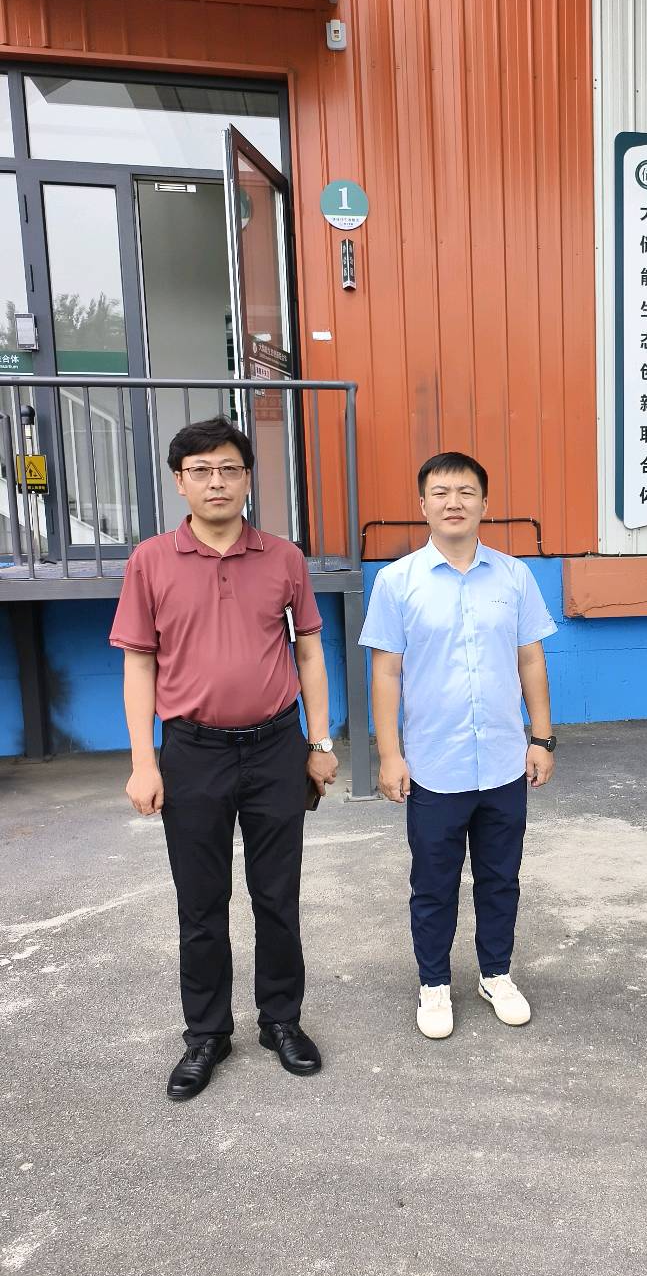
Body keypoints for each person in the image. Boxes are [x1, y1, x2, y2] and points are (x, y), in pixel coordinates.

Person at [109, 416, 338, 1101]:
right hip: (193, 752)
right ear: (180, 482)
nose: (217, 482)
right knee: (202, 903)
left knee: (278, 896)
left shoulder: (284, 558)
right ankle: (207, 1033)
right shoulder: (151, 561)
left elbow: (309, 653)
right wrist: (143, 761)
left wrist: (319, 743)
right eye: (201, 470)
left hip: (275, 748)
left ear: (247, 479)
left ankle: (281, 1021)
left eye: (229, 469)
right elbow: (139, 663)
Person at [359, 452, 557, 1039]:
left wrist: (541, 737)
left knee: (501, 878)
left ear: (484, 504)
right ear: (422, 504)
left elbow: (530, 660)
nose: (454, 503)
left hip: (502, 762)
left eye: (466, 492)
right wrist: (389, 754)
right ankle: (434, 983)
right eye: (441, 493)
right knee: (434, 883)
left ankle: (496, 973)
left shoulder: (514, 576)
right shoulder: (397, 582)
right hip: (433, 766)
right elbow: (386, 673)